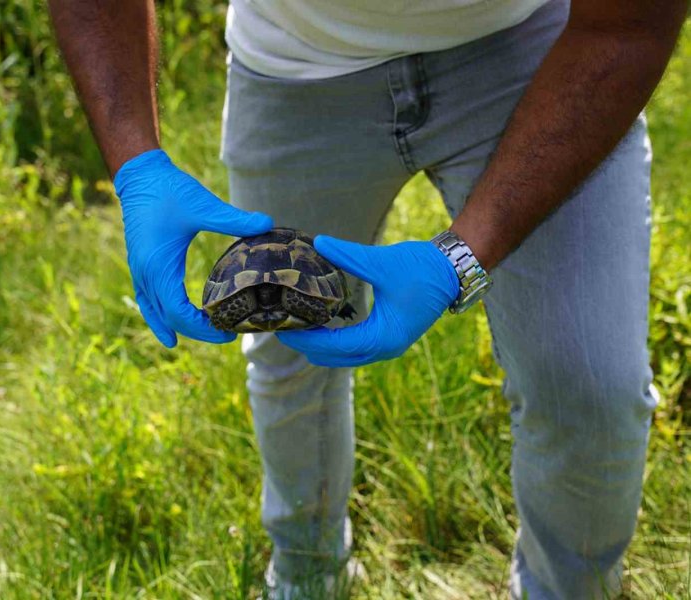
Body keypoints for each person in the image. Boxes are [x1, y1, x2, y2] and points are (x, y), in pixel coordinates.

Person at [47, 0, 686, 597]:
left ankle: (570, 588)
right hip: (295, 65)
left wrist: (459, 259)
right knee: (288, 350)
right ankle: (306, 571)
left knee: (588, 383)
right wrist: (136, 163)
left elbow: (632, 23)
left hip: (533, 46)